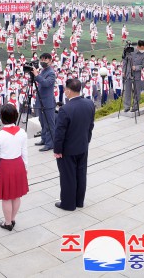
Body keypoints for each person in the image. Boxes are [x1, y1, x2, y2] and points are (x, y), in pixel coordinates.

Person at [53, 78, 95, 211]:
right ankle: (79, 201)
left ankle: (68, 204)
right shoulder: (89, 103)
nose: (64, 91)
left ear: (69, 91)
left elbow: (59, 133)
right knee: (81, 174)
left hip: (68, 149)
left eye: (65, 89)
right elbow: (90, 126)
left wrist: (57, 150)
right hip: (82, 145)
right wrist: (86, 140)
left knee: (68, 176)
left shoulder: (65, 109)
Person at [0, 104, 28, 231]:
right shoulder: (22, 132)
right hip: (18, 164)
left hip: (5, 166)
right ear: (16, 116)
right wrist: (25, 168)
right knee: (16, 195)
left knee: (6, 196)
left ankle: (7, 223)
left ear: (2, 118)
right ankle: (12, 219)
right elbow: (25, 152)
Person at [32, 53, 56, 152]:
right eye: (42, 59)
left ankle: (50, 144)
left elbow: (46, 83)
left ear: (50, 61)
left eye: (45, 60)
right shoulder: (43, 71)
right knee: (42, 122)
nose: (43, 61)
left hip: (48, 102)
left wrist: (37, 75)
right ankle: (44, 139)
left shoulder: (51, 73)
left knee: (49, 124)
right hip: (41, 101)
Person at [122, 40, 144, 112]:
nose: (143, 50)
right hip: (128, 73)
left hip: (137, 74)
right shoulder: (131, 51)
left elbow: (143, 65)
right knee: (127, 91)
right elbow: (124, 61)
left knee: (137, 91)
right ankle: (127, 106)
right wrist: (123, 71)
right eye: (142, 48)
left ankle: (135, 106)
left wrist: (136, 67)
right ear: (138, 46)